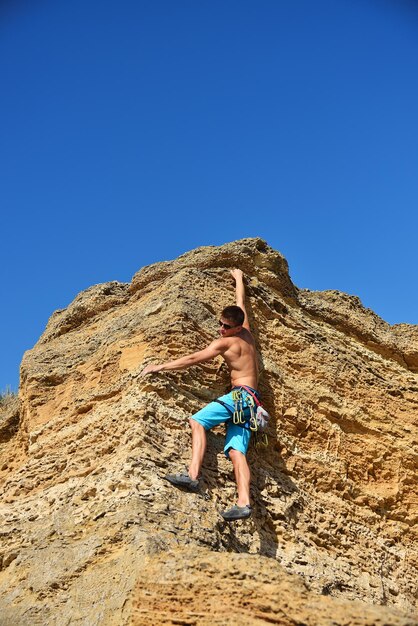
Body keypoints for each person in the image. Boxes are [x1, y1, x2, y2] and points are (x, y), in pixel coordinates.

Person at [140, 268, 259, 521]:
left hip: (239, 397)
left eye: (226, 327)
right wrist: (239, 279)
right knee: (237, 452)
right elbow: (240, 304)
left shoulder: (226, 342)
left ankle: (192, 476)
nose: (220, 329)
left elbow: (194, 359)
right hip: (251, 403)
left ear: (236, 328)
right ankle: (244, 503)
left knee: (197, 421)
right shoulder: (245, 330)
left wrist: (159, 366)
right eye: (220, 323)